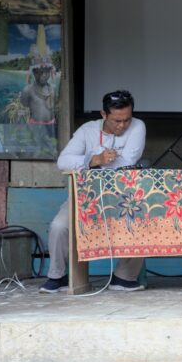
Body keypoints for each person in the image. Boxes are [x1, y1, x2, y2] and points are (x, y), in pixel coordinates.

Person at [43, 90, 146, 293]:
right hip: (86, 197)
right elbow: (63, 161)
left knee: (144, 220)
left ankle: (123, 278)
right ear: (103, 114)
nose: (123, 125)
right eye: (117, 120)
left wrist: (97, 163)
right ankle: (58, 276)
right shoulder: (86, 130)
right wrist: (93, 160)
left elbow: (128, 162)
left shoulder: (138, 126)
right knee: (59, 226)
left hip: (122, 197)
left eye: (126, 119)